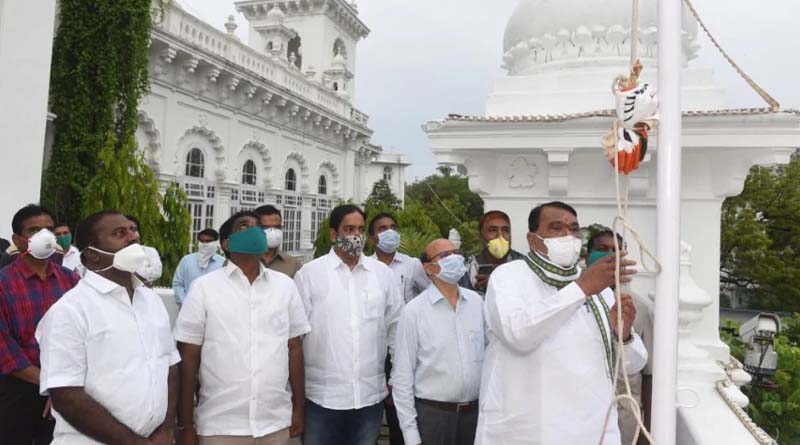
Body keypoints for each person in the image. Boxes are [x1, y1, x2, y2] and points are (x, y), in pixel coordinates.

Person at [475, 201, 647, 444]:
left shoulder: (599, 288)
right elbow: (518, 335)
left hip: (591, 428)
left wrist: (625, 335)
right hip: (529, 430)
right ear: (533, 240)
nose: (569, 235)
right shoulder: (509, 277)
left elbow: (632, 365)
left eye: (574, 229)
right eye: (556, 228)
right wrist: (582, 288)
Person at [36, 210, 179, 445]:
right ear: (92, 255)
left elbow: (170, 365)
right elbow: (66, 395)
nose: (132, 237)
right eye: (119, 233)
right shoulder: (70, 310)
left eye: (132, 231)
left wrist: (166, 428)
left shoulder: (150, 299)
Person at [174, 211, 310, 445]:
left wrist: (298, 408)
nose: (256, 231)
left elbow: (294, 348)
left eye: (259, 227)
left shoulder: (285, 287)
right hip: (221, 426)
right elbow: (188, 358)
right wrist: (185, 423)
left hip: (276, 422)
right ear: (226, 243)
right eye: (245, 226)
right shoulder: (203, 288)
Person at [294, 204, 404, 445]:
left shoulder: (382, 275)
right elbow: (295, 337)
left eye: (361, 229)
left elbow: (396, 329)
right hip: (321, 398)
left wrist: (396, 377)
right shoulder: (310, 274)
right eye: (349, 229)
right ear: (334, 234)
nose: (356, 236)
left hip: (369, 396)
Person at [0, 204, 80, 445]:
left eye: (48, 229)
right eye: (34, 230)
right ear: (19, 239)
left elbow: (83, 334)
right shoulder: (4, 283)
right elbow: (5, 350)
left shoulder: (71, 280)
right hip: (18, 389)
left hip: (66, 388)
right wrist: (49, 384)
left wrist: (62, 385)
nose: (44, 236)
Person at [392, 239, 484, 445]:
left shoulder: (477, 303)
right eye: (445, 255)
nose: (454, 258)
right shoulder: (414, 312)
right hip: (433, 417)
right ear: (429, 268)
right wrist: (410, 433)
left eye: (456, 252)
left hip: (474, 416)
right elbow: (402, 377)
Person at [367, 212, 430, 445]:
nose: (389, 232)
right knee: (371, 410)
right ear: (372, 238)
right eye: (382, 228)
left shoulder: (412, 265)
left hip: (404, 349)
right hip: (372, 347)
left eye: (393, 227)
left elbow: (434, 292)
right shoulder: (366, 266)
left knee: (399, 410)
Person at [586, 229, 655, 444]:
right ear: (587, 256)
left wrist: (647, 431)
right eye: (601, 249)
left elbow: (649, 375)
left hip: (625, 418)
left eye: (615, 251)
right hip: (583, 415)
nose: (609, 255)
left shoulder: (639, 309)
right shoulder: (573, 301)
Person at [459, 210, 525, 294]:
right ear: (481, 236)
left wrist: (498, 283)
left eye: (505, 230)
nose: (500, 235)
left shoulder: (523, 264)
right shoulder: (467, 267)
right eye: (493, 230)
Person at [172, 228, 225, 308]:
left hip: (213, 311)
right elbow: (177, 283)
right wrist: (185, 303)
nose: (204, 244)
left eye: (208, 241)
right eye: (202, 241)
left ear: (215, 243)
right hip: (188, 310)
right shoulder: (186, 261)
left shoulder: (223, 263)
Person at [254, 205, 303, 278]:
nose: (272, 232)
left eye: (277, 227)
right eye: (266, 227)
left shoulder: (293, 265)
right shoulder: (244, 261)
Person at [126, 215, 163, 284]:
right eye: (128, 230)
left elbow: (157, 272)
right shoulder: (116, 252)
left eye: (134, 229)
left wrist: (132, 273)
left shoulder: (149, 251)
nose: (132, 234)